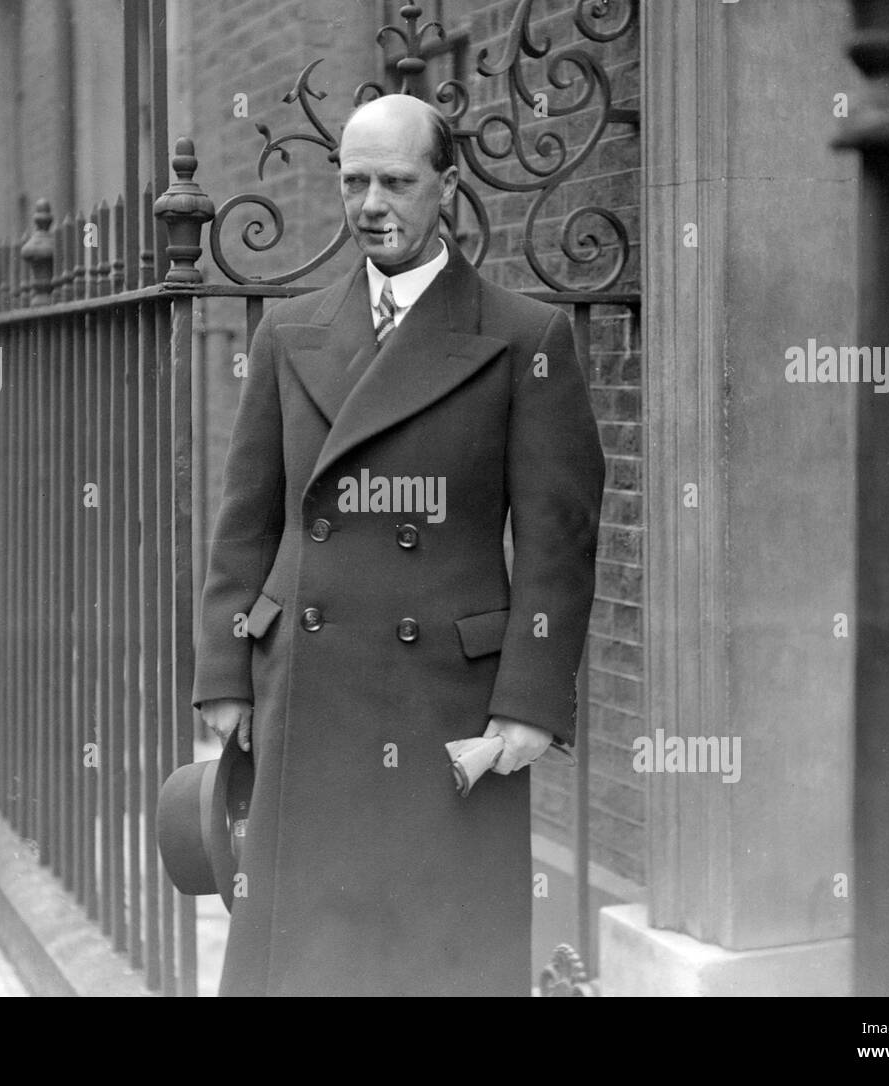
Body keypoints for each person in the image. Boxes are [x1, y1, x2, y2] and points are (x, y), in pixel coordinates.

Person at [191, 93, 604, 996]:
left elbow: (557, 541)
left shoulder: (525, 336)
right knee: (309, 959)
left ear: (447, 186)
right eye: (353, 182)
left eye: (395, 182)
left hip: (443, 708)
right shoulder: (288, 331)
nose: (370, 204)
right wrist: (225, 674)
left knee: (436, 957)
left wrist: (531, 701)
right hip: (305, 689)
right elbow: (247, 519)